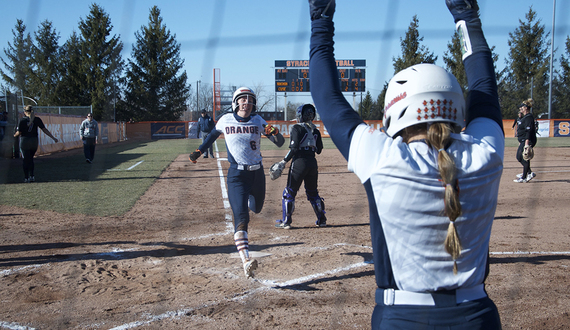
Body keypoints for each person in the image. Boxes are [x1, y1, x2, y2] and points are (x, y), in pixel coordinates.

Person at [308, 0, 503, 328]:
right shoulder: (486, 153)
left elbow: (325, 97)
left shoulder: (384, 158)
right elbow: (484, 90)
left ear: (395, 112)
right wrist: (466, 16)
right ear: (457, 108)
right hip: (478, 316)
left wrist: (320, 21)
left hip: (404, 318)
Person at [188, 87, 285, 278]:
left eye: (250, 101)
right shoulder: (225, 120)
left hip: (257, 174)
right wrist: (199, 151)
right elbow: (211, 137)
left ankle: (246, 200)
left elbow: (279, 142)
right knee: (242, 219)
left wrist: (274, 132)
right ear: (236, 102)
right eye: (243, 100)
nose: (246, 104)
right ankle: (246, 260)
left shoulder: (258, 120)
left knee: (256, 208)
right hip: (236, 176)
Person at [274, 103, 326, 229]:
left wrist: (283, 161)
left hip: (299, 162)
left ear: (300, 116)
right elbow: (319, 150)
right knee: (313, 192)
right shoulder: (316, 130)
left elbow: (294, 148)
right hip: (312, 163)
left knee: (289, 192)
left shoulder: (297, 128)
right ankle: (321, 219)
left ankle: (286, 221)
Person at [14, 105, 59, 182]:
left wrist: (14, 135)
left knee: (25, 159)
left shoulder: (22, 120)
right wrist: (53, 138)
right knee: (31, 159)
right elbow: (44, 129)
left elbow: (19, 132)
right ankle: (32, 176)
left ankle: (26, 177)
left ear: (25, 112)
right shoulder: (37, 119)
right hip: (34, 141)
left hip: (25, 141)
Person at [513, 99, 537, 183]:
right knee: (523, 157)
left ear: (526, 108)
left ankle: (524, 177)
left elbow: (528, 131)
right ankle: (529, 173)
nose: (520, 108)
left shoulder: (529, 117)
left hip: (527, 140)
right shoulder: (525, 117)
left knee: (520, 157)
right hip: (523, 140)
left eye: (522, 107)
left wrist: (526, 143)